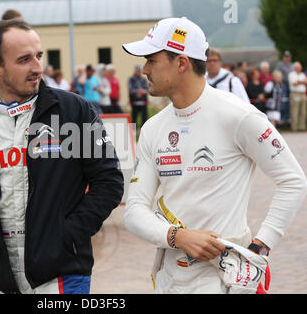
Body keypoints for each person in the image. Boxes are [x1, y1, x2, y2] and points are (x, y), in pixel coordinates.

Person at [122, 17, 307, 294]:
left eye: (151, 59)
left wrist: (261, 245)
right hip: (170, 278)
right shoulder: (153, 128)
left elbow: (293, 180)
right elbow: (134, 211)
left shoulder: (238, 115)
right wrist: (178, 237)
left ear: (181, 63)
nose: (144, 69)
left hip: (224, 280)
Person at [0, 19, 123, 294]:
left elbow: (109, 181)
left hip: (61, 273)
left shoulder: (73, 111)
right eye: (24, 59)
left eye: (39, 56)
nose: (38, 67)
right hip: (0, 273)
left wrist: (67, 235)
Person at [275, 51, 293, 123]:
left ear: (290, 57)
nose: (286, 58)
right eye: (285, 56)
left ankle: (287, 118)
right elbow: (276, 74)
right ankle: (281, 118)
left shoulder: (292, 65)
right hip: (283, 85)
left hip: (291, 85)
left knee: (289, 102)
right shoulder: (280, 65)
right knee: (283, 102)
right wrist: (280, 83)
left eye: (288, 56)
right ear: (283, 57)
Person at [288, 62, 306, 132]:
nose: (299, 69)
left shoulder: (302, 74)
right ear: (295, 68)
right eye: (298, 67)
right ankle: (294, 128)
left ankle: (302, 127)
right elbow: (294, 83)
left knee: (303, 111)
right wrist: (302, 82)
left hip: (302, 94)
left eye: (300, 67)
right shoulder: (291, 74)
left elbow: (304, 82)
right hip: (295, 93)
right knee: (294, 111)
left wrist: (299, 82)